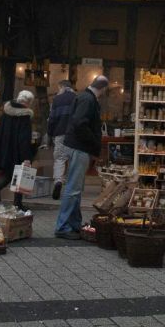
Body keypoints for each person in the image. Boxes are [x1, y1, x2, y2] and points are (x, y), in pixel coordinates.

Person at [54, 75, 109, 240]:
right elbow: (79, 123)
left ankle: (73, 224)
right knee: (73, 189)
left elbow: (78, 122)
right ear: (103, 89)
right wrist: (93, 141)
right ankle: (63, 227)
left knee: (75, 189)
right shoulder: (88, 100)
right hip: (80, 147)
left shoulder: (85, 97)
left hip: (78, 146)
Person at [0, 90, 35, 207]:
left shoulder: (7, 112)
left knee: (13, 174)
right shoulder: (25, 116)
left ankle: (17, 203)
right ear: (28, 102)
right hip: (16, 150)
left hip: (4, 148)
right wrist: (26, 157)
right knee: (13, 175)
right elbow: (24, 138)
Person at [47, 79, 75, 200]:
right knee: (73, 160)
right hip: (74, 134)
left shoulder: (57, 100)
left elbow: (52, 118)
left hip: (60, 133)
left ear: (62, 87)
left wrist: (50, 133)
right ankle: (71, 188)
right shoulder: (77, 98)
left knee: (60, 159)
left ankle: (58, 181)